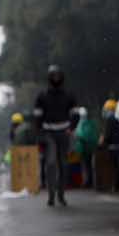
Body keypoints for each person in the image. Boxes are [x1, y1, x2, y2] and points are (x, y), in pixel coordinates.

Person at [33, 65, 79, 207]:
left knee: (64, 164)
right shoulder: (42, 96)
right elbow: (37, 117)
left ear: (62, 77)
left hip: (64, 131)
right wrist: (40, 133)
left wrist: (71, 128)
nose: (56, 78)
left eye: (58, 76)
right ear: (49, 78)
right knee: (51, 163)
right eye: (53, 76)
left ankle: (61, 194)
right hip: (48, 133)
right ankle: (51, 194)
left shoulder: (69, 95)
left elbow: (75, 114)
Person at [102, 99, 119, 192]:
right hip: (118, 146)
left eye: (106, 109)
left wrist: (103, 143)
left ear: (109, 109)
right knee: (117, 164)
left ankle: (117, 185)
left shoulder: (110, 120)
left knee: (114, 166)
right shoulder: (117, 120)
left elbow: (108, 134)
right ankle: (118, 185)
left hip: (112, 146)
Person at [74, 106, 99, 190]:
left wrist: (78, 136)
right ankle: (87, 181)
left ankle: (88, 182)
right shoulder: (84, 123)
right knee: (86, 165)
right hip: (84, 148)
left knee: (86, 165)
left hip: (86, 148)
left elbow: (85, 135)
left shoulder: (86, 123)